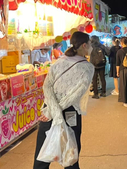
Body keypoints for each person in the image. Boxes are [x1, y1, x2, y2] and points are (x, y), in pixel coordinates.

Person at [33, 31, 94, 169]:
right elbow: (74, 96)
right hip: (69, 112)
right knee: (70, 158)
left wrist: (52, 111)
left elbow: (47, 86)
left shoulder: (59, 61)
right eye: (90, 44)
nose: (91, 47)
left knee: (41, 157)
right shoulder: (87, 67)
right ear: (84, 45)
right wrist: (57, 113)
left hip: (49, 109)